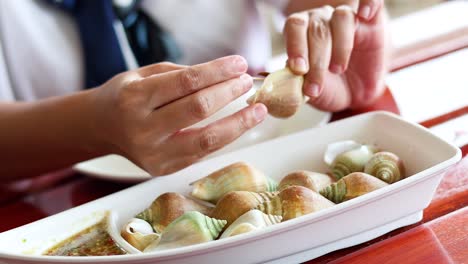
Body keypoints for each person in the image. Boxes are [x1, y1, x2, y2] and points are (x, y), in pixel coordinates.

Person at [0, 0, 388, 180]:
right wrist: (93, 124)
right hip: (62, 199)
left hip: (271, 164)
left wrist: (337, 42)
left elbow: (324, 5)